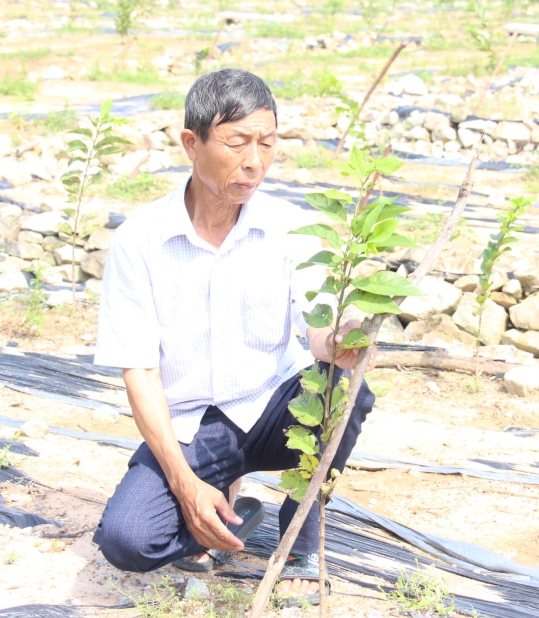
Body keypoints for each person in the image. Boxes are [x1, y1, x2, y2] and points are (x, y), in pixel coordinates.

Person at [91, 68, 375, 606]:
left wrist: (342, 336)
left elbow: (317, 331)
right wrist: (184, 484)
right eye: (237, 142)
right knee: (127, 541)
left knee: (346, 389)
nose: (255, 161)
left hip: (270, 407)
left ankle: (298, 543)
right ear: (191, 144)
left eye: (267, 143)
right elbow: (140, 373)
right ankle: (222, 500)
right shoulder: (140, 242)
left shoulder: (290, 227)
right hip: (192, 427)